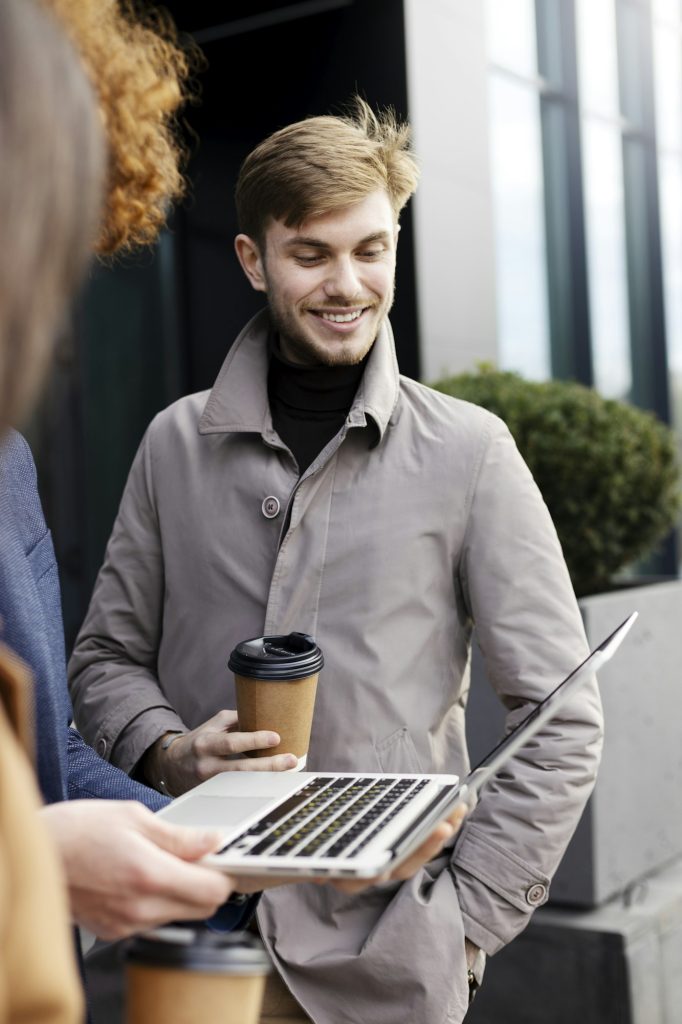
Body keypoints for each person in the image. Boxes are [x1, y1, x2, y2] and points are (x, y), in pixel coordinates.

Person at [68, 101, 603, 1022]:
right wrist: (166, 748)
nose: (346, 283)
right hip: (191, 936)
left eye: (370, 250)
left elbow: (560, 719)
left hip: (385, 961)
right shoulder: (172, 445)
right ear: (252, 260)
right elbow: (104, 662)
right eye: (310, 254)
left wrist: (465, 926)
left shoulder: (471, 452)